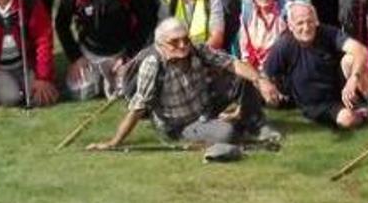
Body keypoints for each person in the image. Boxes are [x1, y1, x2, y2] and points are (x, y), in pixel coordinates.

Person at [87, 17, 282, 150]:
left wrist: (261, 80)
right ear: (161, 44)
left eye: (185, 39)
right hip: (179, 125)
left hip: (204, 107)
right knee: (226, 134)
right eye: (175, 42)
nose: (182, 46)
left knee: (245, 75)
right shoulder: (153, 64)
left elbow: (233, 63)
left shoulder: (196, 49)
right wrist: (114, 142)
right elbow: (138, 107)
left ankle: (257, 124)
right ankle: (233, 125)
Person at [263, 1, 368, 129]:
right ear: (290, 26)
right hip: (317, 104)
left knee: (351, 59)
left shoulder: (328, 33)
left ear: (316, 21)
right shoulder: (283, 45)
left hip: (341, 89)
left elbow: (361, 50)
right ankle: (362, 112)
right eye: (300, 23)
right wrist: (271, 91)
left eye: (310, 21)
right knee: (347, 120)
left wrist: (353, 78)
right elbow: (266, 75)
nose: (306, 27)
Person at [56, 0, 148, 100]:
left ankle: (112, 79)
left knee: (124, 93)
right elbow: (61, 24)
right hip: (89, 53)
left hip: (120, 54)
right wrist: (75, 58)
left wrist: (129, 56)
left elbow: (146, 22)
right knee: (81, 94)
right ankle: (97, 79)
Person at [238, 0, 287, 68]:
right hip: (256, 69)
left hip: (283, 67)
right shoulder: (247, 12)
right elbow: (245, 51)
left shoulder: (286, 11)